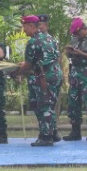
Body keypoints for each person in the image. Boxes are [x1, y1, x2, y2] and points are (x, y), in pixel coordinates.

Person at [21, 14, 62, 147]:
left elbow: (28, 64)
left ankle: (46, 137)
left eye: (25, 27)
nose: (24, 30)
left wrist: (14, 72)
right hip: (55, 73)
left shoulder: (33, 42)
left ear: (32, 26)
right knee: (49, 104)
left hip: (44, 76)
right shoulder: (51, 38)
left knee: (44, 105)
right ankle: (53, 132)